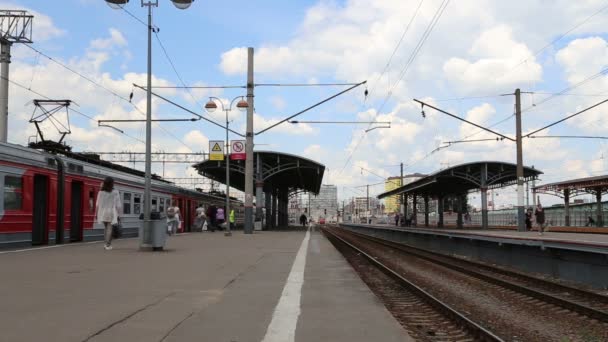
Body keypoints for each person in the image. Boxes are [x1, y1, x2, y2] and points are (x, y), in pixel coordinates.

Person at [95, 177, 122, 251]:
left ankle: (106, 244)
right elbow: (118, 205)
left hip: (102, 212)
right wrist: (119, 214)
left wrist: (96, 214)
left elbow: (97, 204)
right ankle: (108, 245)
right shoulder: (115, 192)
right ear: (112, 183)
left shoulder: (100, 192)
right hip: (111, 211)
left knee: (106, 228)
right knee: (110, 228)